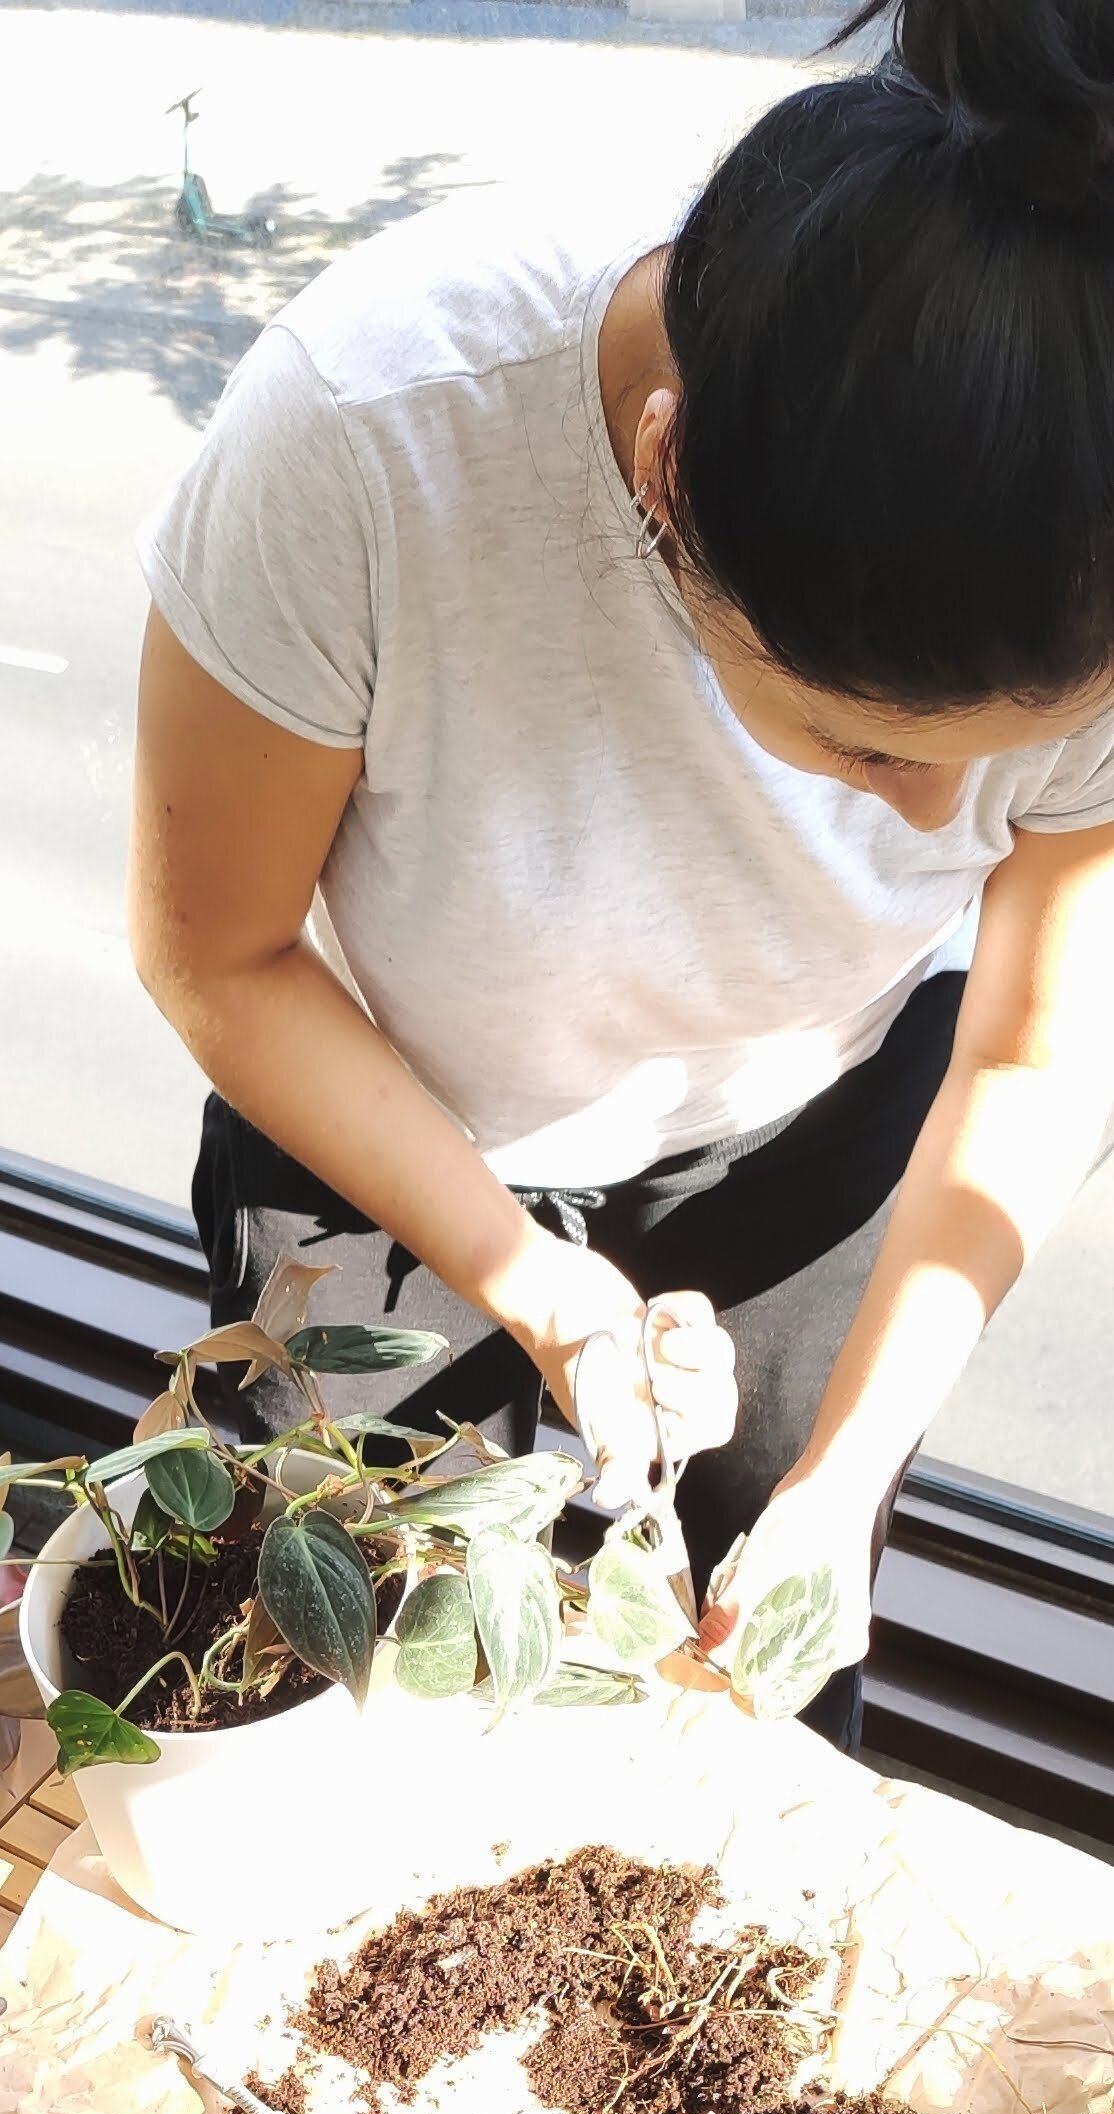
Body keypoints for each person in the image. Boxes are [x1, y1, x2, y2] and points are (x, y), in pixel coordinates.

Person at [127, 0, 1114, 1747]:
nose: (924, 832)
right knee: (352, 1683)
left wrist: (842, 1480)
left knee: (745, 1690)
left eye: (999, 766)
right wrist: (525, 1271)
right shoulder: (367, 433)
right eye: (870, 749)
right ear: (660, 475)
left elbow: (1031, 1050)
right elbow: (219, 954)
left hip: (818, 1137)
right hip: (379, 1104)